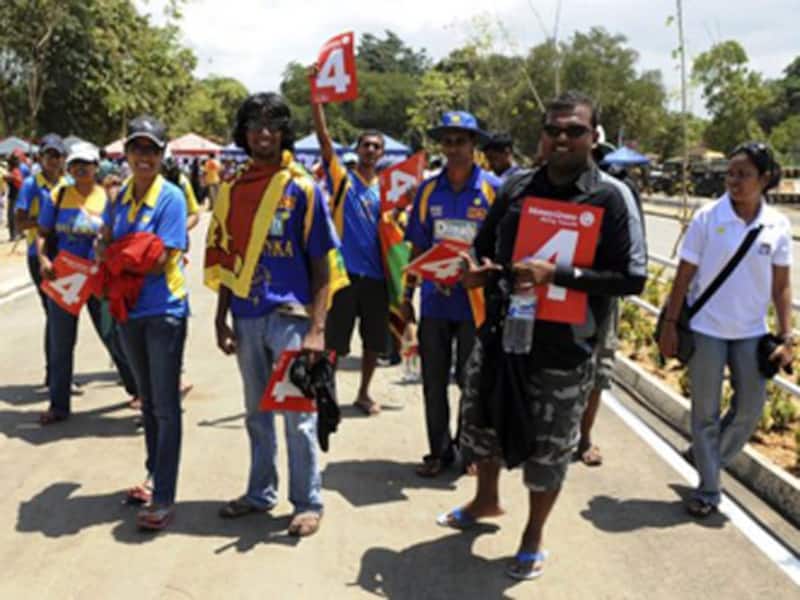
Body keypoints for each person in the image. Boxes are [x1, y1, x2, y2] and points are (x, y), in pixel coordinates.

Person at [449, 91, 646, 581]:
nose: (561, 138)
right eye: (553, 129)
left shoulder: (610, 196)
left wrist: (557, 274)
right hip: (500, 336)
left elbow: (632, 278)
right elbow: (483, 248)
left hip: (564, 349)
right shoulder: (516, 186)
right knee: (483, 426)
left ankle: (533, 535)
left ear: (592, 136)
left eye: (574, 130)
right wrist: (479, 272)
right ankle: (485, 500)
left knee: (550, 448)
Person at [206, 92, 338, 537]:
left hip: (292, 319)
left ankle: (307, 502)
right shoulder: (232, 188)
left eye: (273, 124)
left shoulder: (302, 188)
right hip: (245, 317)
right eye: (255, 124)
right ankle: (261, 492)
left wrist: (318, 330)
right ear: (243, 132)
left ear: (284, 132)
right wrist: (221, 316)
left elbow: (321, 264)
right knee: (255, 413)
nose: (264, 132)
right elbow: (226, 257)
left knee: (298, 416)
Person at [658, 141, 792, 518]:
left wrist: (787, 335)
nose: (734, 181)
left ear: (764, 179)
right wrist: (670, 324)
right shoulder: (707, 217)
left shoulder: (777, 225)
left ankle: (707, 458)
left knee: (750, 409)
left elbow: (781, 286)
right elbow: (684, 276)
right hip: (706, 329)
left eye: (744, 174)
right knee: (705, 413)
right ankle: (709, 489)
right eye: (730, 173)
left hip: (751, 332)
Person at [98, 115, 189, 530]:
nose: (144, 156)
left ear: (162, 153)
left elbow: (157, 261)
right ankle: (155, 476)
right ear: (127, 153)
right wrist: (120, 253)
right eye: (137, 148)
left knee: (166, 407)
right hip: (129, 312)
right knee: (149, 403)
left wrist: (119, 256)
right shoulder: (119, 201)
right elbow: (109, 245)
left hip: (163, 311)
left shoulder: (170, 197)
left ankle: (165, 497)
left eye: (152, 149)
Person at [402, 111, 501, 477]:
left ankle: (468, 449)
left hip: (476, 306)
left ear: (475, 144)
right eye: (448, 141)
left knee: (472, 382)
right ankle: (439, 451)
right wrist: (407, 295)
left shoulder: (493, 189)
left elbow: (503, 249)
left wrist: (484, 275)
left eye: (462, 140)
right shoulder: (428, 190)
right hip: (435, 302)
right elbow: (417, 247)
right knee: (433, 380)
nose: (454, 148)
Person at [35, 142, 139, 425]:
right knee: (60, 341)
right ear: (69, 167)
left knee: (113, 335)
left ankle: (138, 390)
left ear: (96, 167)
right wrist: (44, 260)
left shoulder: (108, 197)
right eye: (76, 164)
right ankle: (58, 405)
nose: (81, 169)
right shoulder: (58, 195)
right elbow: (43, 232)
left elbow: (119, 235)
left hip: (98, 276)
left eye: (87, 164)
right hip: (65, 276)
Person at [309, 67, 389, 417]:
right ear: (357, 150)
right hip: (343, 275)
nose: (371, 150)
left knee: (373, 343)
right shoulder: (343, 179)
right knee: (334, 344)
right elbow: (325, 140)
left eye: (376, 146)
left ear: (382, 153)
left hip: (378, 278)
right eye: (366, 145)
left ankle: (364, 392)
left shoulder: (390, 188)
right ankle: (327, 393)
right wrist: (316, 99)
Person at [15, 134, 68, 390]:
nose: (53, 160)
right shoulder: (30, 185)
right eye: (49, 155)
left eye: (57, 155)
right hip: (40, 255)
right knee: (54, 314)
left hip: (67, 255)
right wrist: (45, 223)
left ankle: (58, 372)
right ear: (41, 157)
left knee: (62, 316)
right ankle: (54, 373)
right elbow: (20, 221)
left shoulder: (69, 183)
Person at [4, 154, 24, 240]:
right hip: (13, 195)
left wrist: (11, 177)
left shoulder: (15, 171)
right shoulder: (13, 170)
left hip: (16, 195)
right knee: (12, 215)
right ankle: (15, 234)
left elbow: (19, 180)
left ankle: (15, 235)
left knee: (12, 215)